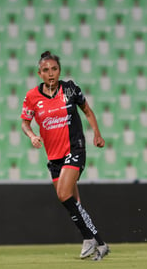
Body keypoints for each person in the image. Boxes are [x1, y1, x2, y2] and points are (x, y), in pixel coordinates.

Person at [21, 51, 109, 261]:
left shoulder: (69, 89)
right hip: (54, 158)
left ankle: (97, 241)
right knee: (72, 202)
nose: (50, 73)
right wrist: (32, 135)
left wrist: (97, 133)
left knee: (63, 193)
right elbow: (25, 122)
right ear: (39, 73)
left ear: (59, 70)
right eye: (45, 70)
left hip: (74, 149)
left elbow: (87, 111)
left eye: (54, 69)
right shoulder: (32, 97)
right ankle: (92, 240)